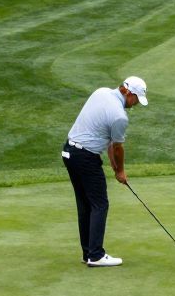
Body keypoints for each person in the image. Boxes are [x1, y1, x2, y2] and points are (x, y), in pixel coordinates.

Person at [61, 77, 148, 267]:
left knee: (85, 205)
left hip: (69, 153)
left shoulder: (100, 92)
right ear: (128, 93)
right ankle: (96, 255)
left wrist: (115, 167)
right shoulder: (119, 116)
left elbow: (107, 140)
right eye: (136, 99)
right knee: (100, 204)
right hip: (85, 158)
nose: (135, 104)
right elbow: (118, 148)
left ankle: (88, 253)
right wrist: (121, 171)